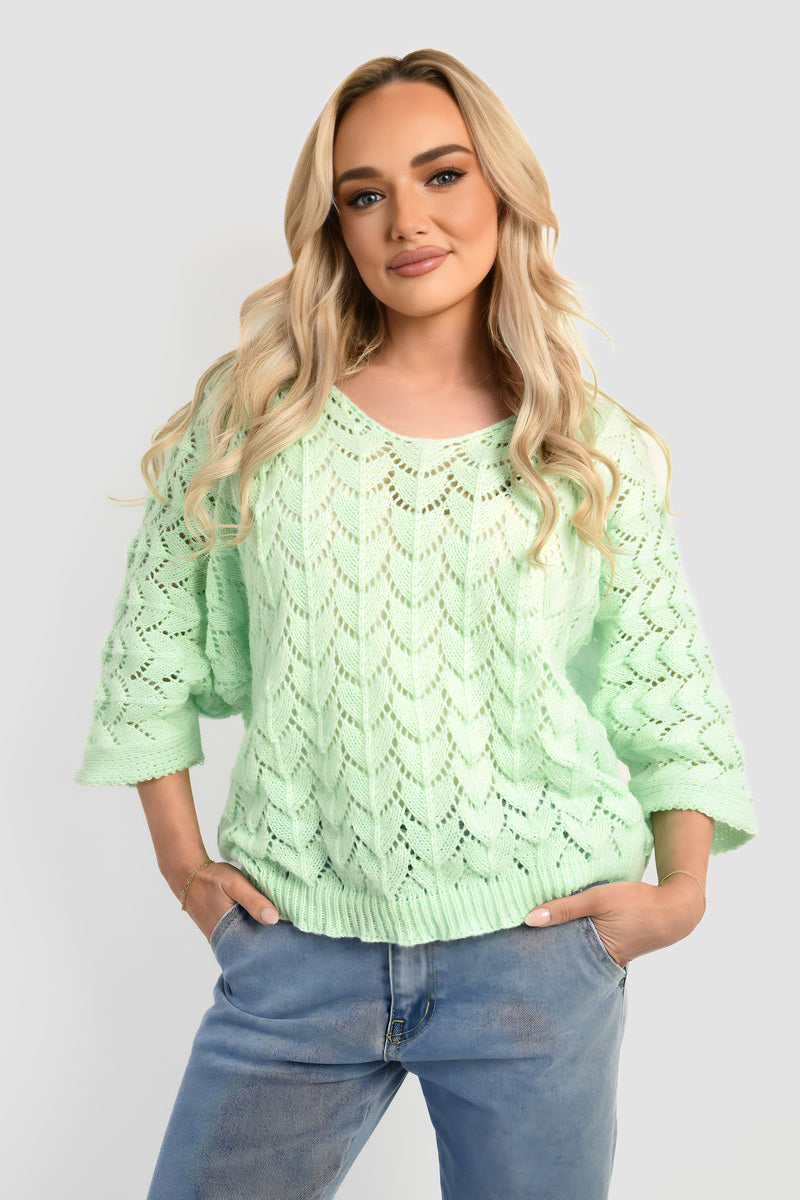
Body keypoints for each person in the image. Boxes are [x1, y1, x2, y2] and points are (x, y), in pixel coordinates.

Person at [74, 47, 758, 1200]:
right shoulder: (256, 419)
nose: (406, 220)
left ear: (501, 189)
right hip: (294, 955)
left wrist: (676, 894)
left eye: (441, 175)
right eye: (365, 193)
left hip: (537, 961)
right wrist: (186, 869)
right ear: (334, 224)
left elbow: (665, 684)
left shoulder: (584, 444)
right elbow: (154, 645)